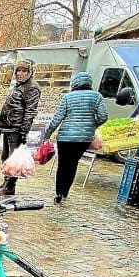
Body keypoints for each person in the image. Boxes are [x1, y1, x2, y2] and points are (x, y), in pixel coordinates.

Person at [46, 71, 109, 204]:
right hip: (84, 138)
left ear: (75, 83)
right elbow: (103, 117)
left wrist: (47, 134)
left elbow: (58, 118)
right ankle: (65, 193)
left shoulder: (68, 97)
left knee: (62, 165)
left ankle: (58, 193)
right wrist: (92, 126)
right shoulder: (96, 97)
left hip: (65, 137)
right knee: (73, 164)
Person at [0, 59, 41, 196]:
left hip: (16, 128)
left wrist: (24, 131)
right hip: (9, 126)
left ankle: (10, 187)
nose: (20, 73)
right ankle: (6, 182)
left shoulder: (31, 87)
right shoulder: (19, 86)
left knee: (14, 160)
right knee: (6, 157)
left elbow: (30, 111)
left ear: (29, 72)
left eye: (24, 71)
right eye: (18, 71)